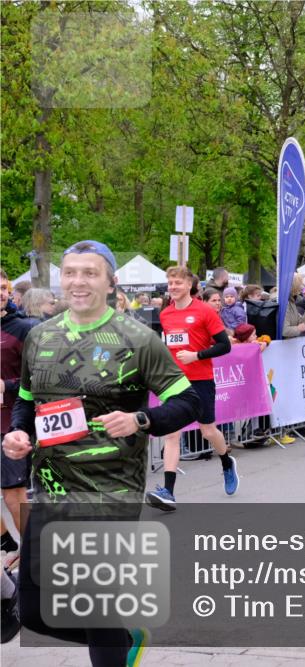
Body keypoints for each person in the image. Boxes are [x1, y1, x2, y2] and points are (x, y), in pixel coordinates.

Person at [3, 240, 200, 664]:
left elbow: (188, 402)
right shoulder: (40, 336)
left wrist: (140, 420)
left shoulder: (139, 339)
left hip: (111, 492)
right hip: (50, 489)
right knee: (34, 612)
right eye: (70, 272)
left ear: (110, 282)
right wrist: (18, 434)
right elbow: (25, 401)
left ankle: (111, 641)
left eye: (90, 273)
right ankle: (124, 638)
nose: (78, 281)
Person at [147, 265, 239, 511]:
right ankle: (168, 491)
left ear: (189, 285)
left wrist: (196, 356)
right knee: (172, 434)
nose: (173, 287)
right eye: (170, 283)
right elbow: (168, 345)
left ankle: (226, 462)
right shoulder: (165, 314)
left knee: (208, 431)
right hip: (174, 381)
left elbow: (224, 346)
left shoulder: (205, 311)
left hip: (200, 379)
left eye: (177, 282)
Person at [0, 270, 39, 572]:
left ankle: (34, 557)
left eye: (4, 288)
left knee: (14, 494)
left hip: (9, 425)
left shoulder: (22, 328)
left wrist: (7, 386)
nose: (1, 293)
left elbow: (37, 374)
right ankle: (7, 545)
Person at [281, 273, 305, 339]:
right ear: (295, 285)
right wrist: (298, 328)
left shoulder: (292, 302)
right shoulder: (286, 303)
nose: (303, 286)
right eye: (301, 283)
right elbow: (284, 330)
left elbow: (300, 322)